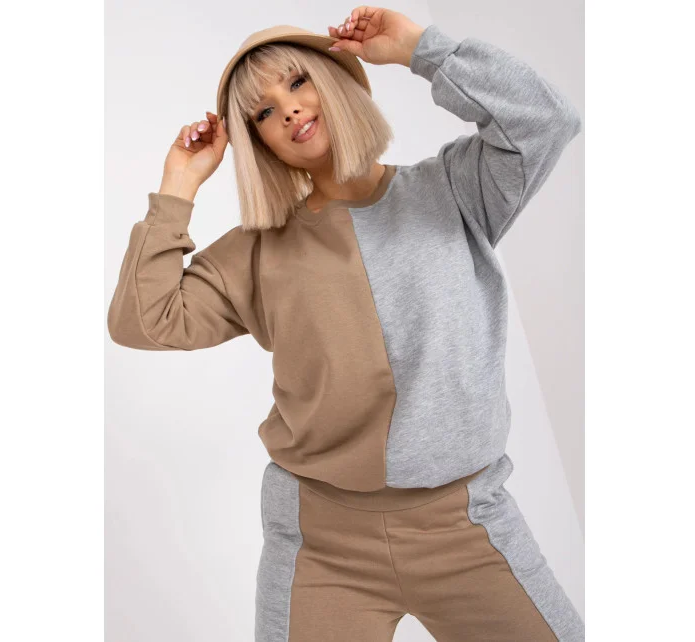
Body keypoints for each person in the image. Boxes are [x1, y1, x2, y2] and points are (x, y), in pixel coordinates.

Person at [107, 7, 584, 641]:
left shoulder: (454, 191)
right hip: (320, 541)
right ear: (258, 141)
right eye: (263, 112)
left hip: (466, 524)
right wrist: (178, 188)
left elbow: (546, 119)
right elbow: (142, 322)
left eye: (298, 82)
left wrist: (422, 49)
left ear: (334, 80)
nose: (289, 110)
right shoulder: (256, 250)